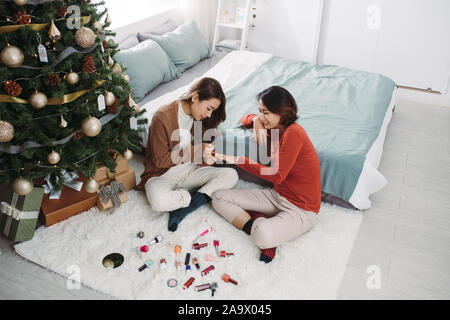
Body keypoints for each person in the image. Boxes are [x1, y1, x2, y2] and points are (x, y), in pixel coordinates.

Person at [212, 86, 321, 263]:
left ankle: (262, 226)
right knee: (218, 198)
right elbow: (245, 120)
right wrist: (256, 120)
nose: (263, 116)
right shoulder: (276, 127)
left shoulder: (294, 132)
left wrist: (237, 159)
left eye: (266, 112)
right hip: (276, 195)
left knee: (261, 235)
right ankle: (255, 222)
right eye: (260, 111)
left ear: (281, 111)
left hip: (301, 209)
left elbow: (277, 175)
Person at [135, 77, 238, 232]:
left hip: (189, 171)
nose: (209, 115)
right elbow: (159, 160)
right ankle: (195, 197)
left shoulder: (200, 119)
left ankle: (183, 208)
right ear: (195, 97)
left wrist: (206, 159)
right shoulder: (163, 116)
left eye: (213, 111)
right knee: (158, 203)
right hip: (162, 175)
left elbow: (199, 154)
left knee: (231, 175)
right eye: (209, 108)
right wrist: (197, 151)